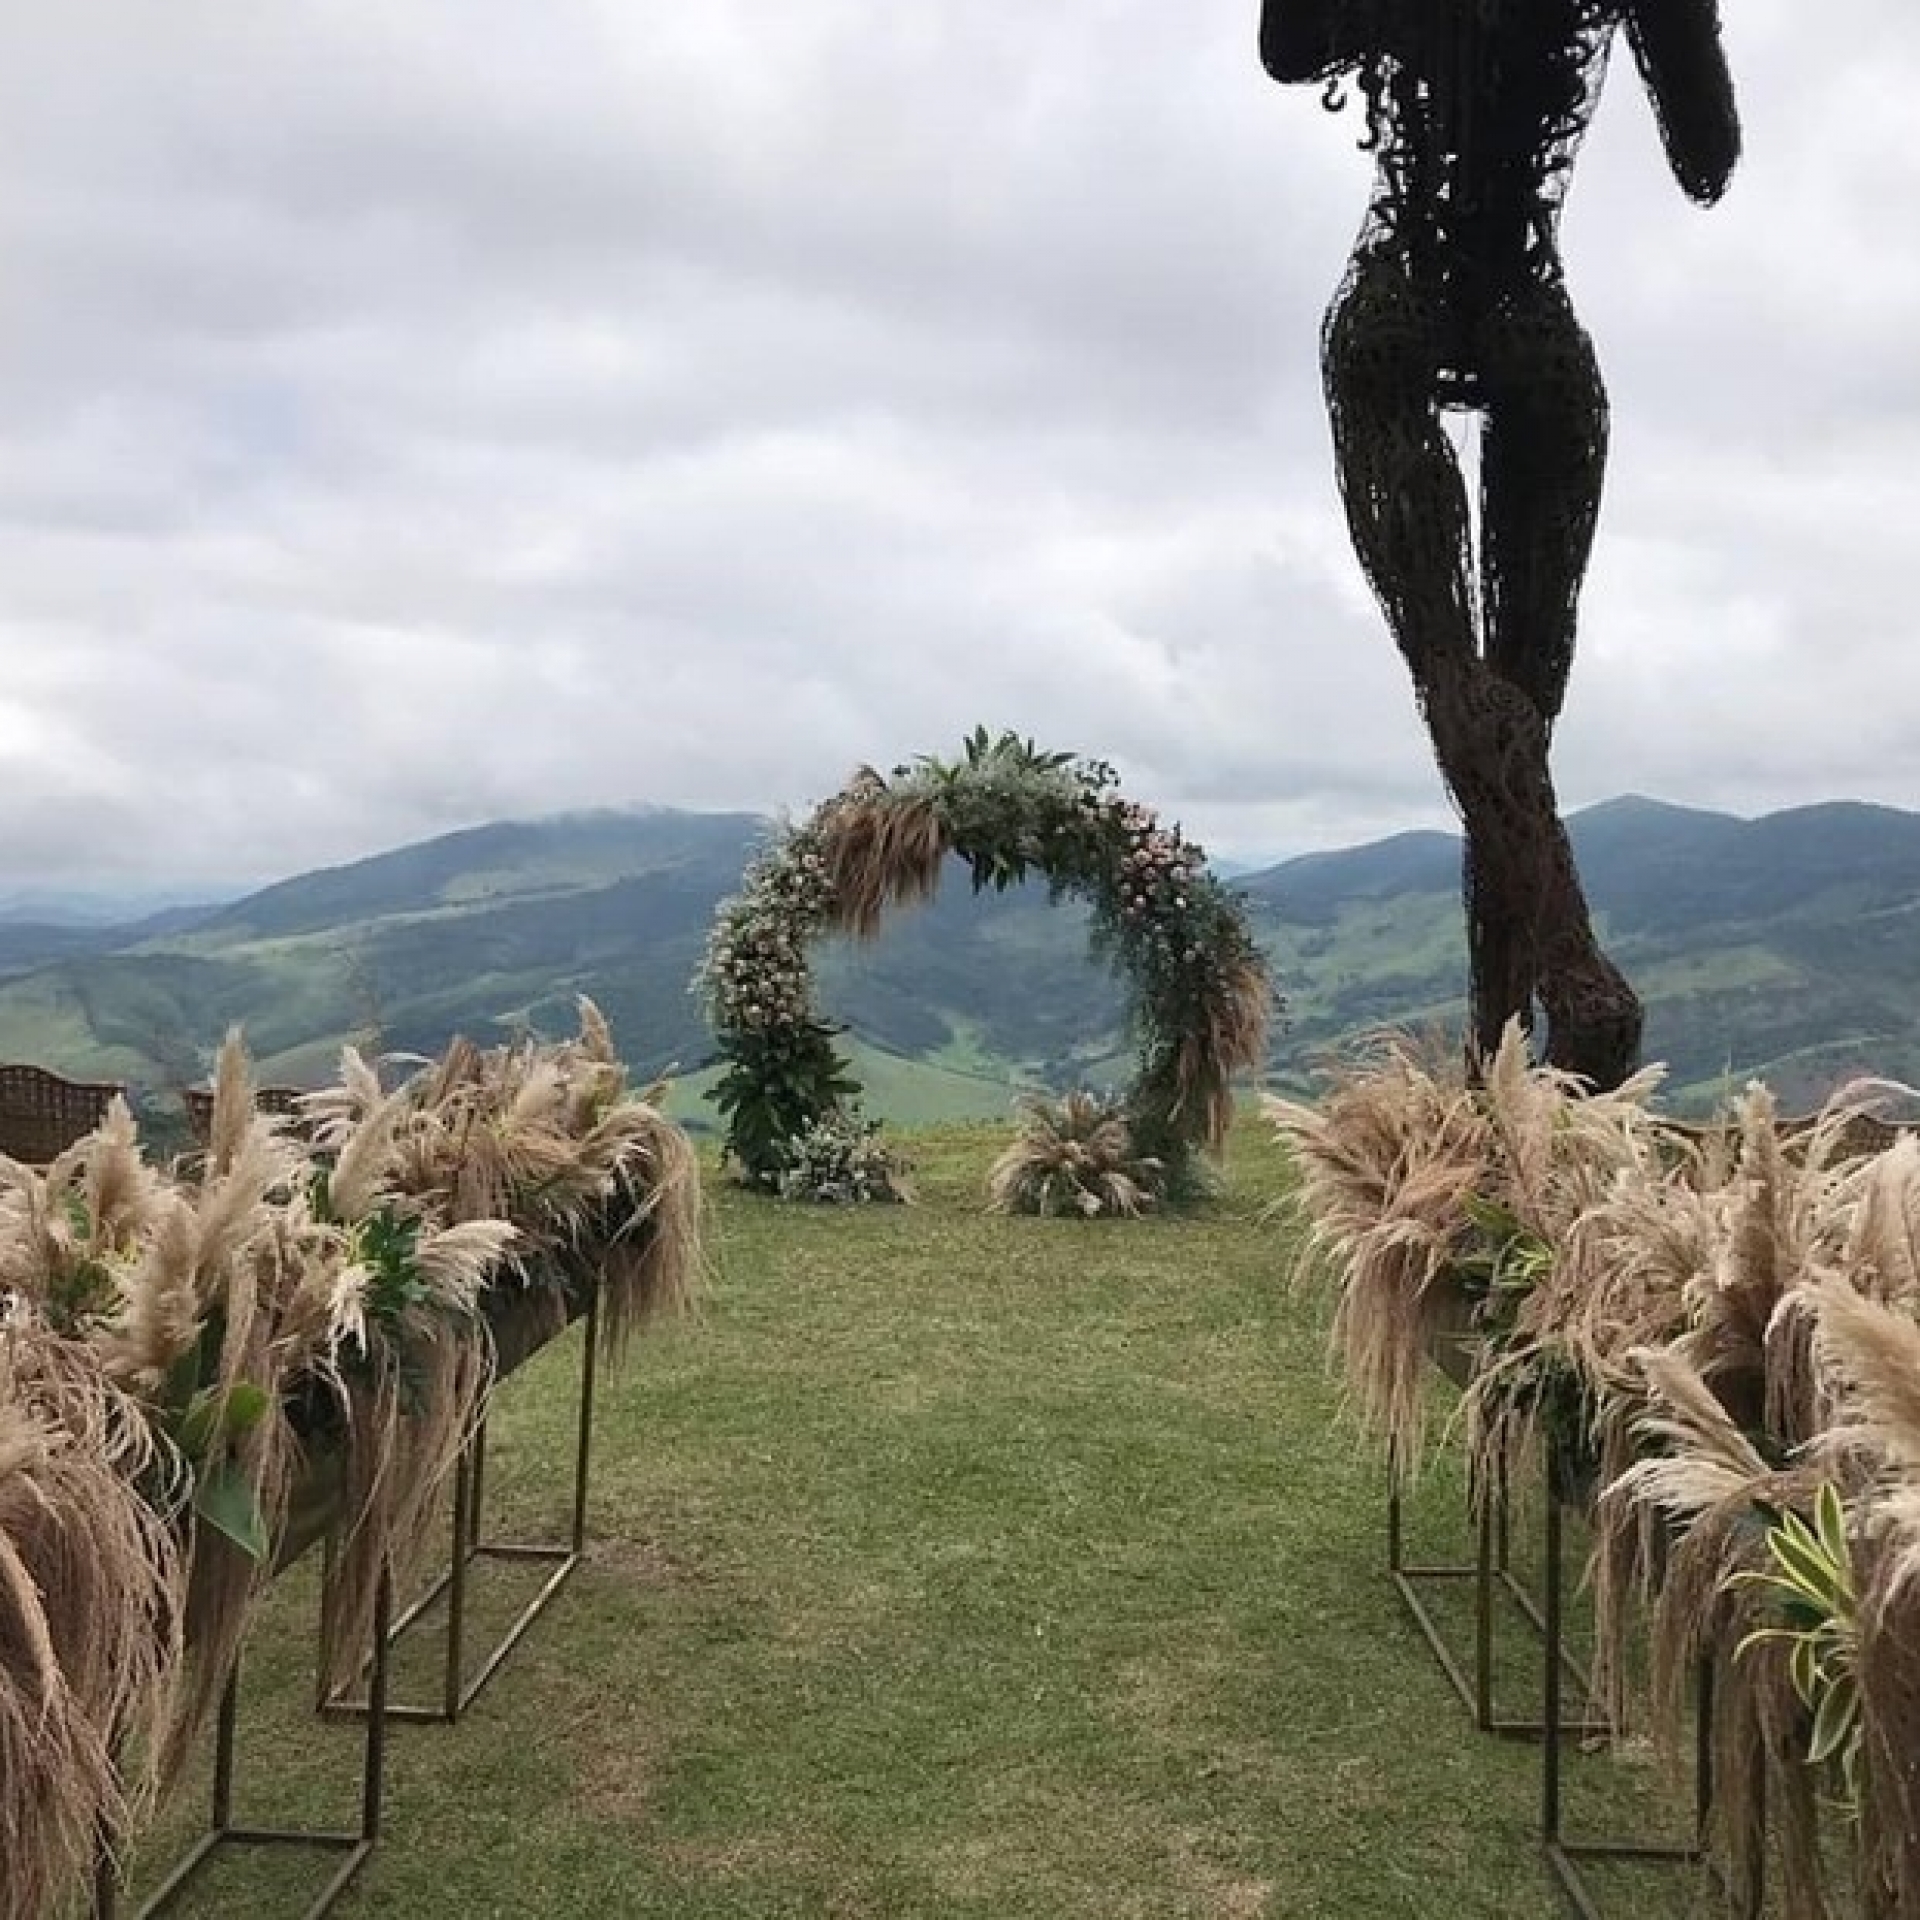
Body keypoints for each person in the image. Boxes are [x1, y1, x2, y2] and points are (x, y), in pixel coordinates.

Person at [1260, 0, 1738, 1087]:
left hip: (1395, 307)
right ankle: (1510, 1052)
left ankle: (1559, 995)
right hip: (1531, 316)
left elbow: (1287, 49)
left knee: (1459, 688)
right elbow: (1706, 156)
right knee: (1518, 706)